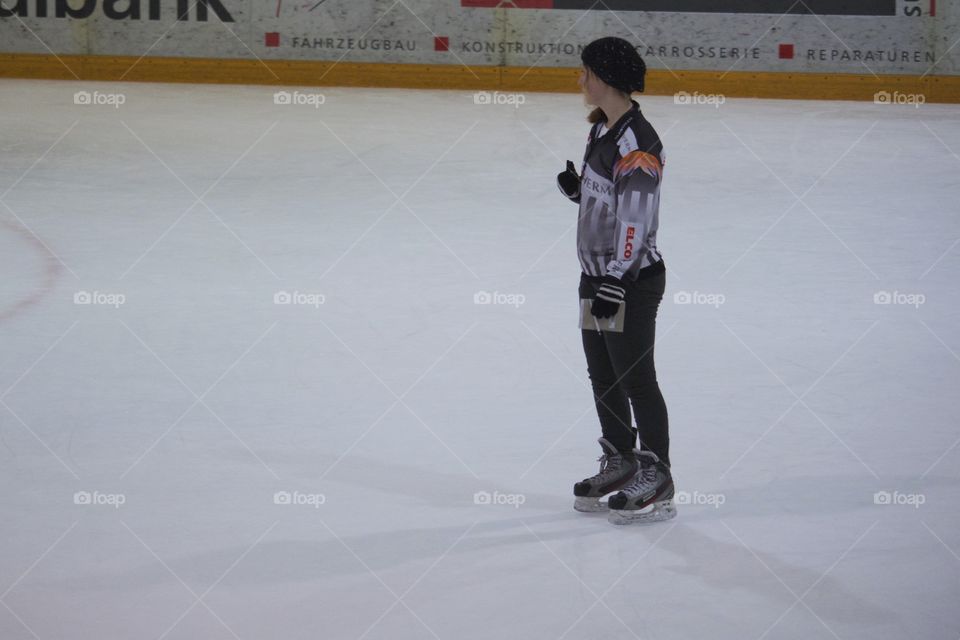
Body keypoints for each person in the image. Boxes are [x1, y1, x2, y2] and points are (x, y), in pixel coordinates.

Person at [557, 37, 675, 525]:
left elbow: (637, 219)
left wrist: (616, 282)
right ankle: (622, 460)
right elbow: (613, 200)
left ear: (604, 77)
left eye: (585, 72)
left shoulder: (639, 143)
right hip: (596, 278)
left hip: (628, 281)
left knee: (636, 379)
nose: (580, 80)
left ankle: (658, 475)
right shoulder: (603, 130)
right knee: (603, 375)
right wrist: (581, 192)